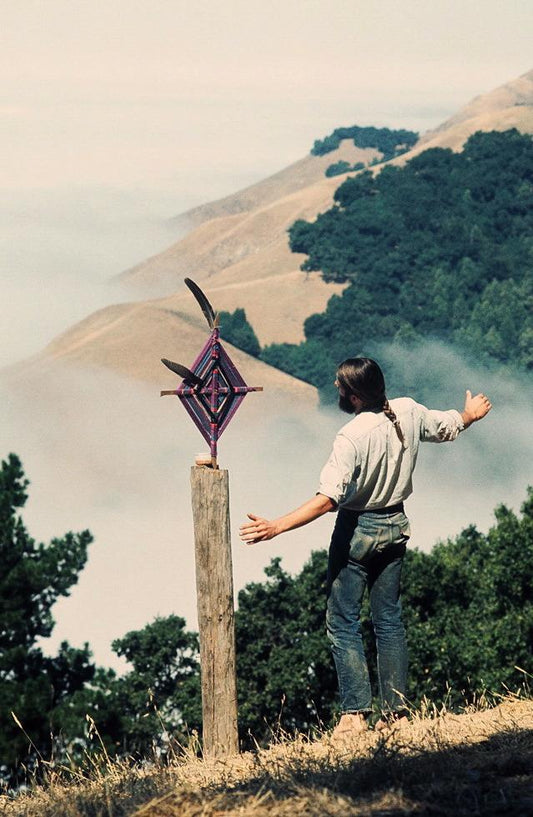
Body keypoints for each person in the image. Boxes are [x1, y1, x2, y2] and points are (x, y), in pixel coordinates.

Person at [239, 357, 492, 738]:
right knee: (388, 620)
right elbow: (446, 427)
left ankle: (354, 715)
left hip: (357, 529)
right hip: (396, 524)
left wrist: (277, 526)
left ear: (355, 396)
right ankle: (396, 713)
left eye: (341, 386)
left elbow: (328, 499)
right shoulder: (407, 410)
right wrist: (469, 414)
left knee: (343, 621)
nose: (336, 388)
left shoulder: (351, 436)